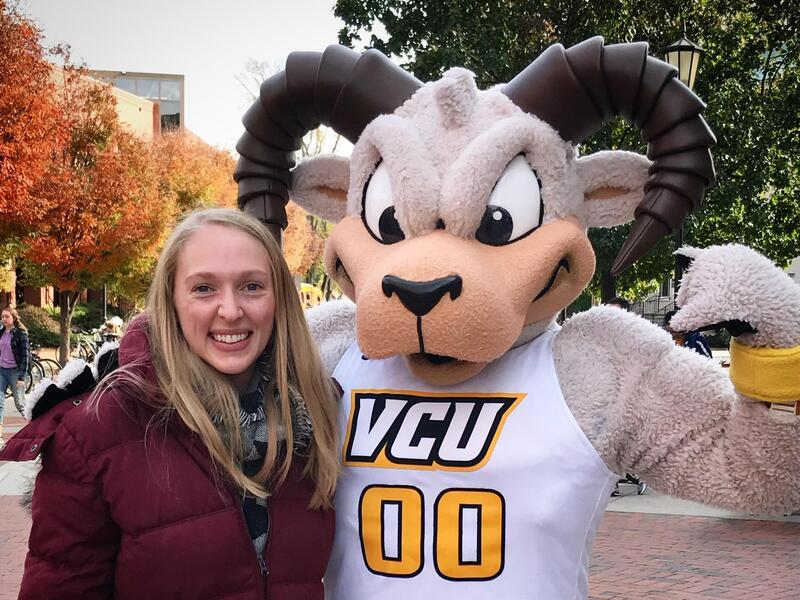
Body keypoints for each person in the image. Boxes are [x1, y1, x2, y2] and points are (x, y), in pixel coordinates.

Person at [0, 208, 338, 599]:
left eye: (251, 286)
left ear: (279, 300)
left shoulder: (313, 415)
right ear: (171, 302)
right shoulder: (100, 428)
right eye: (203, 288)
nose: (230, 310)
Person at [0, 305, 30, 442]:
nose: (4, 319)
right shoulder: (0, 332)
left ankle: (35, 426)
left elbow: (25, 356)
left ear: (13, 318)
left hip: (15, 372)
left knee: (20, 403)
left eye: (7, 317)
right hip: (1, 370)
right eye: (2, 317)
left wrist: (21, 376)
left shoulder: (20, 334)